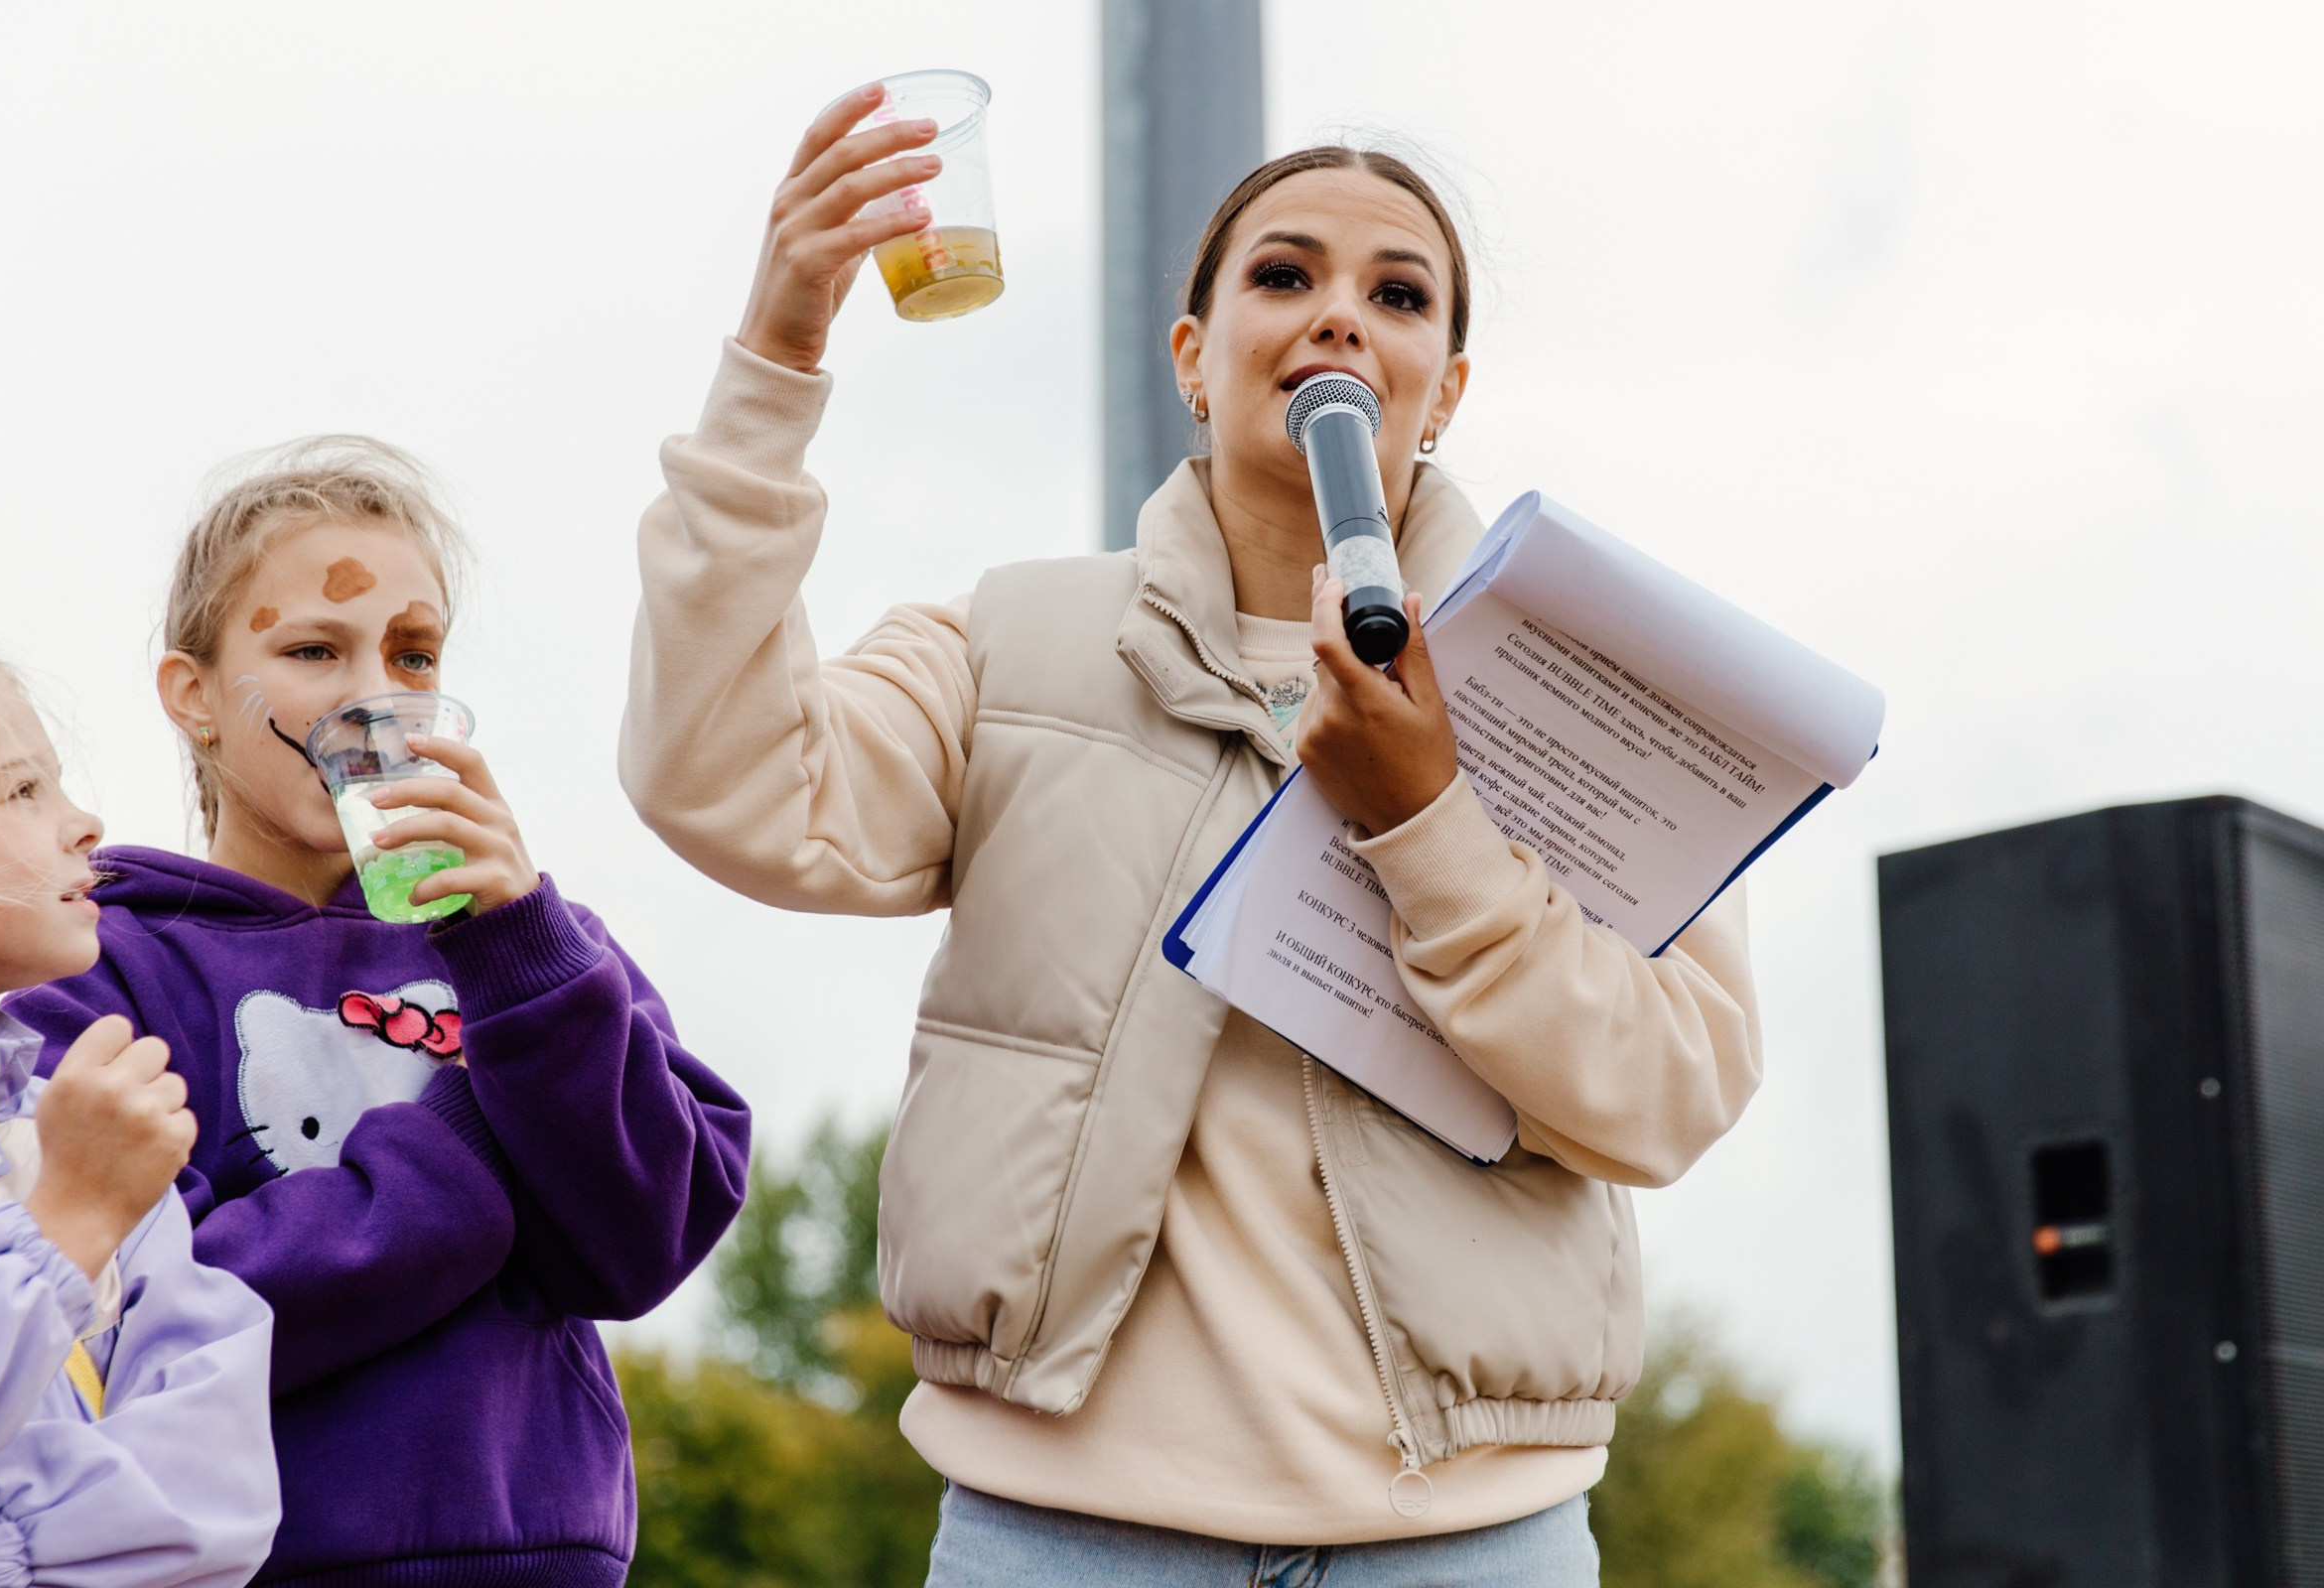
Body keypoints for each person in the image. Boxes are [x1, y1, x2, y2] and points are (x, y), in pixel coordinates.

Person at [622, 85, 1761, 1585]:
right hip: (1062, 1542)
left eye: (1397, 295)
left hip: (1470, 1546)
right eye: (1284, 275)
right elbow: (721, 777)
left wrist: (1428, 825)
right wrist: (776, 360)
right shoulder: (1008, 647)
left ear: (1446, 387)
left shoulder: (1585, 686)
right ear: (1192, 358)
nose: (1340, 315)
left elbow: (1674, 1089)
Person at [7, 441, 752, 1587]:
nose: (375, 697)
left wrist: (522, 954)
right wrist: (470, 1141)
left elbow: (645, 1238)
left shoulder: (536, 945)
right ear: (193, 696)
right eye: (314, 649)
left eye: (413, 654)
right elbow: (145, 1312)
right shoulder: (101, 967)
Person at [0, 642, 278, 1587]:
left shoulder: (87, 1139)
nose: (85, 823)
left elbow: (217, 1488)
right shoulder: (91, 1175)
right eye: (22, 790)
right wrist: (66, 1224)